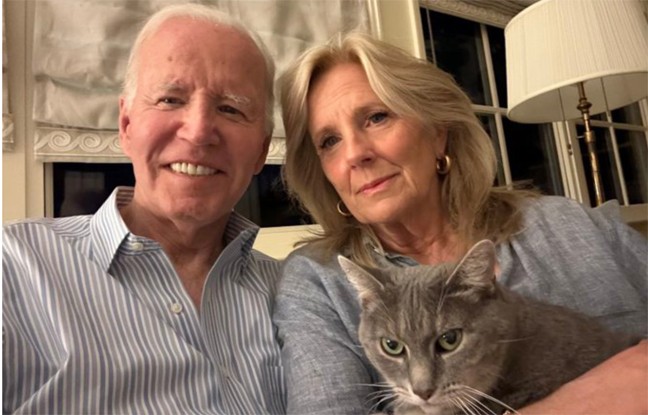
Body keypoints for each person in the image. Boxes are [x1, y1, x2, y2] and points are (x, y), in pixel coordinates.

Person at [274, 31, 647, 414]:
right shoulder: (321, 281)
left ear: (437, 132)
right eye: (329, 141)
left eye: (376, 118)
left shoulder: (570, 224)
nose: (355, 153)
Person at [3, 4, 285, 414]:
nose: (198, 131)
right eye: (170, 99)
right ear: (126, 126)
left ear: (261, 150)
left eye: (231, 108)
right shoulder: (13, 268)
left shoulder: (298, 295)